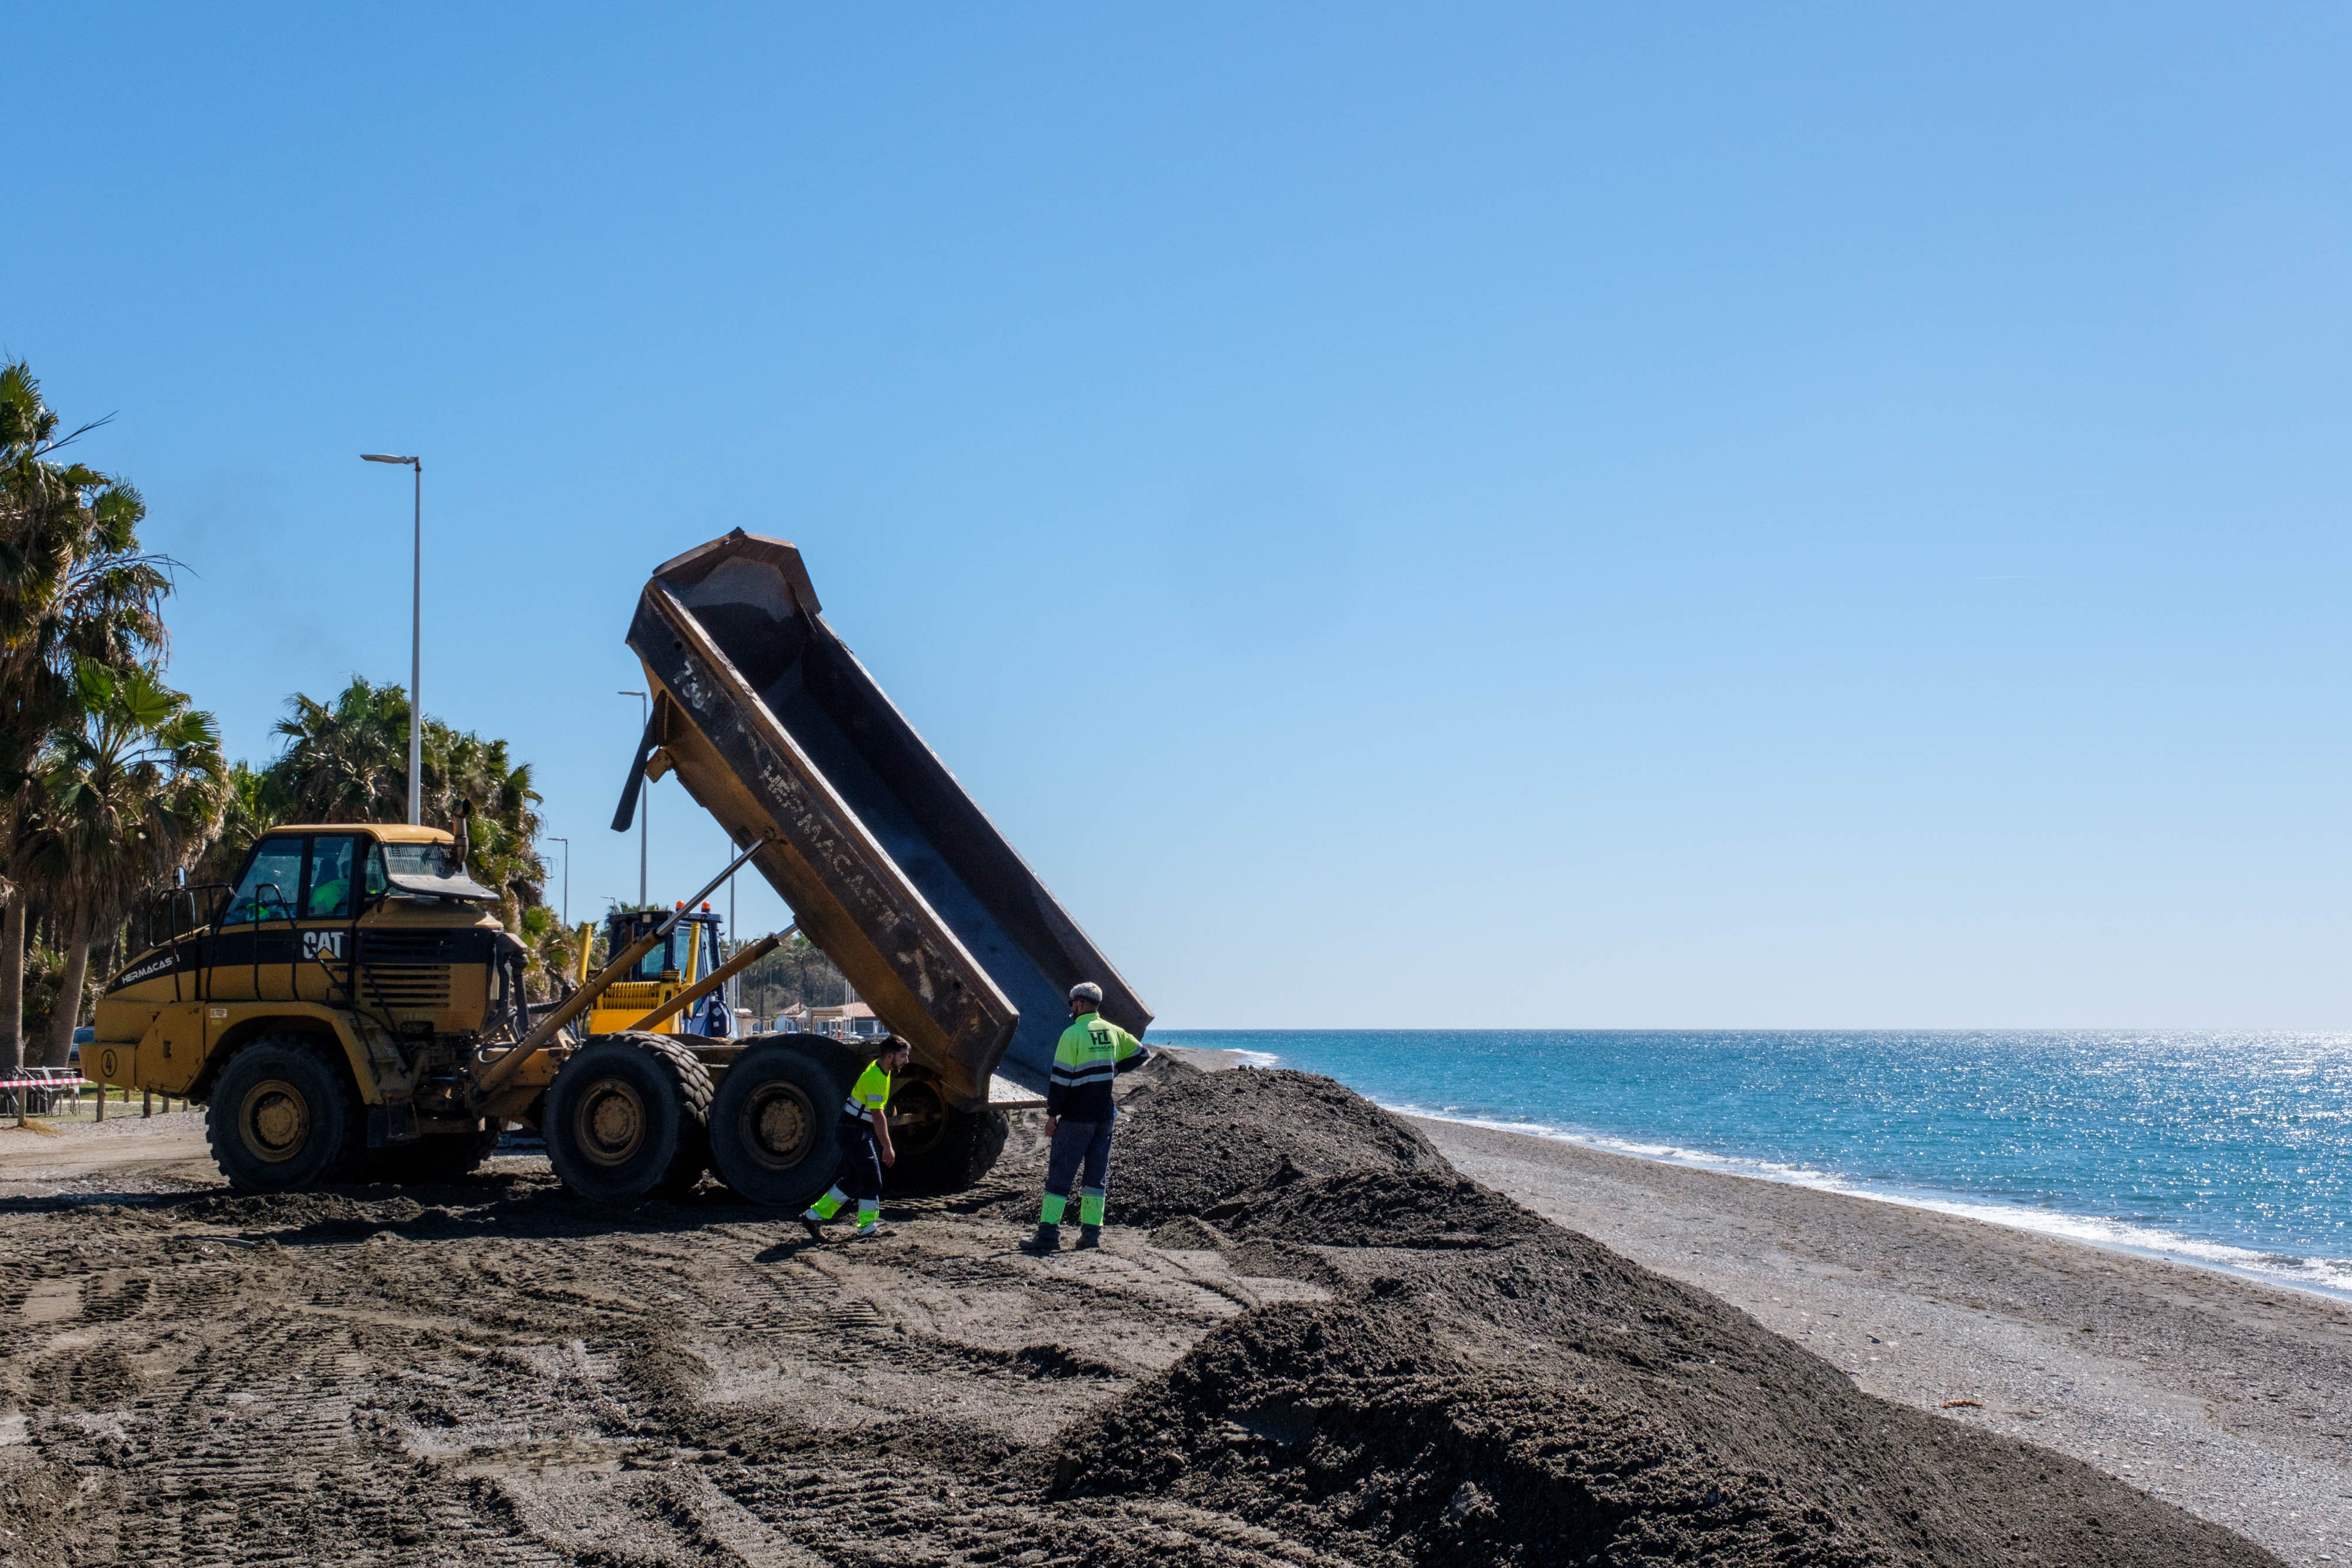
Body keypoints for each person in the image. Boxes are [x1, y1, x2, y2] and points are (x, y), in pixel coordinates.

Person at [1022, 982, 1150, 1255]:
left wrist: (1052, 1115)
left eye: (1071, 1004)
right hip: (1105, 1117)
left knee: (1060, 1176)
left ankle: (1047, 1236)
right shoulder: (1113, 1032)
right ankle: (1091, 1235)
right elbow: (1142, 1053)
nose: (1071, 1008)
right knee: (1095, 1178)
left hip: (1077, 1117)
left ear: (1079, 1004)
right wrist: (1115, 1068)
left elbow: (1060, 1080)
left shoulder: (1073, 1034)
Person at [800, 1034, 911, 1242]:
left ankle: (813, 1216)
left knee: (853, 1180)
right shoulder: (876, 1078)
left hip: (853, 1131)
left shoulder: (883, 1070)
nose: (907, 1061)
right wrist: (888, 1147)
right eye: (903, 1056)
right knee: (872, 1179)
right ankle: (867, 1228)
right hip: (854, 1132)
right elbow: (878, 1117)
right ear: (890, 1057)